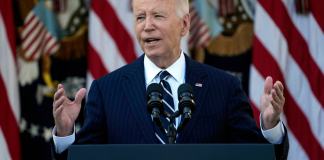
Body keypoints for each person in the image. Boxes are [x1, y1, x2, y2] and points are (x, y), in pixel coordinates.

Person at [52, 0, 288, 159]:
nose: (147, 27)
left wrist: (270, 126)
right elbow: (82, 157)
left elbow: (256, 155)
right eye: (140, 17)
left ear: (184, 25)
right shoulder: (107, 89)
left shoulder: (223, 87)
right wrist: (64, 134)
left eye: (157, 16)